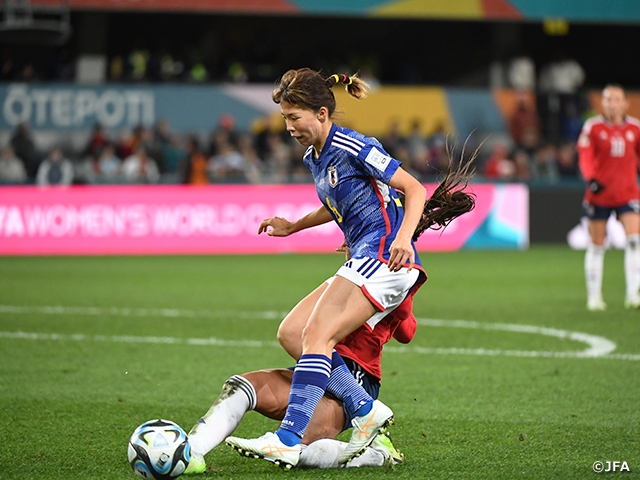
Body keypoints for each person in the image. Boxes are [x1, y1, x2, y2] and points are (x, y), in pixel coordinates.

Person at [225, 68, 476, 470]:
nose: (288, 127)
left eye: (294, 117)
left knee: (317, 335)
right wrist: (293, 226)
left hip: (384, 253)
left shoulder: (353, 144)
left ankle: (287, 440)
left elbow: (414, 188)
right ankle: (364, 408)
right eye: (285, 118)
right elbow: (337, 202)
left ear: (322, 113)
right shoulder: (314, 157)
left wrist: (403, 237)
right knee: (292, 332)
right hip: (363, 254)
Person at [184, 291, 416, 474]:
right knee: (242, 386)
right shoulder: (352, 272)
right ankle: (189, 453)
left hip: (358, 374)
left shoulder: (382, 272)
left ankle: (378, 454)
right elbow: (407, 332)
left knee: (306, 452)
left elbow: (405, 318)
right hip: (315, 365)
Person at [577, 84, 640, 310]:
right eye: (608, 100)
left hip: (627, 193)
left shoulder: (635, 128)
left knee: (634, 241)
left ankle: (632, 295)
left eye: (616, 99)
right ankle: (594, 297)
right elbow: (584, 155)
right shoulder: (592, 127)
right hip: (599, 195)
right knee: (596, 246)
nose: (612, 104)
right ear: (601, 103)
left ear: (625, 103)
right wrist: (591, 178)